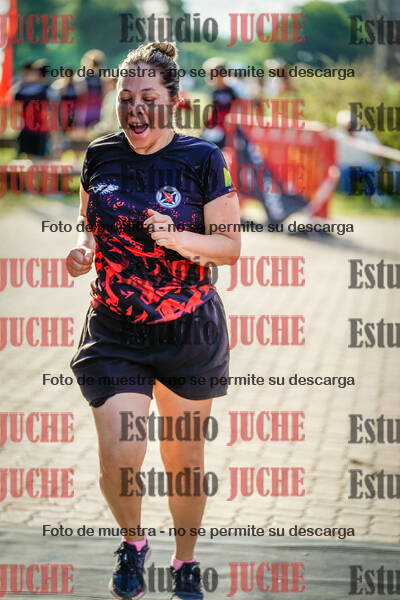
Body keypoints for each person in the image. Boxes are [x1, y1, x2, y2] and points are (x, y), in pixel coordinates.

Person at [66, 41, 240, 600]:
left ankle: (185, 560)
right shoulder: (100, 154)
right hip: (115, 325)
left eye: (148, 97)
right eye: (125, 98)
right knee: (121, 454)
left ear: (174, 102)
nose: (134, 109)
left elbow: (229, 248)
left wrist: (180, 237)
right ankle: (133, 543)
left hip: (187, 326)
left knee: (183, 458)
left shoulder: (203, 159)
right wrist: (82, 250)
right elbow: (91, 221)